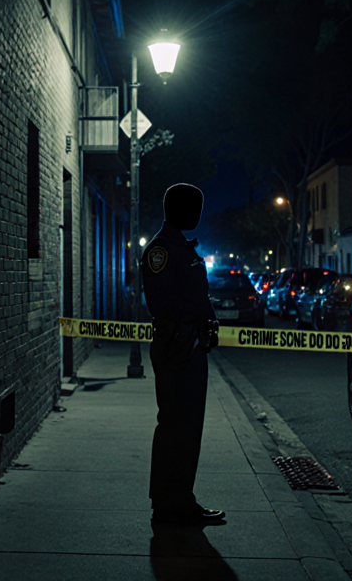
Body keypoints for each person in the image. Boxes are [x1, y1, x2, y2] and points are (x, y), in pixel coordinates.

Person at [139, 183, 225, 526]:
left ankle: (179, 498)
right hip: (178, 345)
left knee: (187, 427)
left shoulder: (179, 246)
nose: (198, 214)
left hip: (188, 344)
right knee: (177, 425)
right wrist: (193, 322)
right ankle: (170, 502)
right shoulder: (162, 248)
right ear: (176, 209)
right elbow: (161, 302)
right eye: (194, 207)